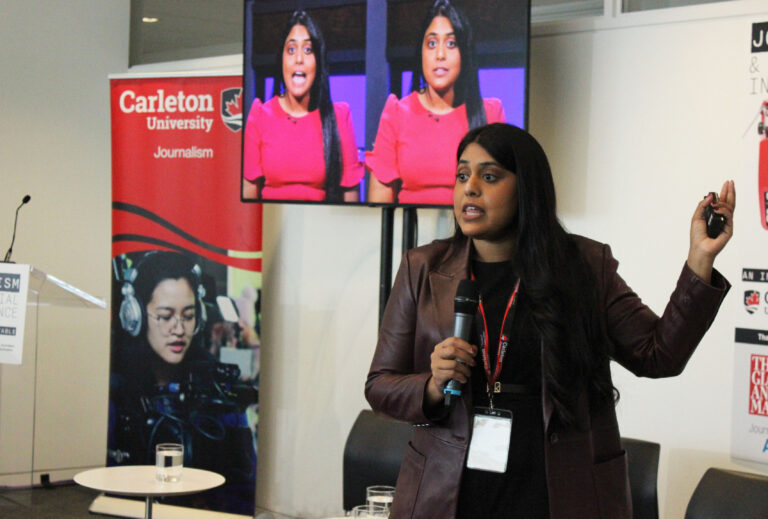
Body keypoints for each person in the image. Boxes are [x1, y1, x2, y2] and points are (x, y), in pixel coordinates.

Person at [365, 123, 734, 518]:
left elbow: (658, 355)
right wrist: (433, 385)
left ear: (528, 188)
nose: (470, 188)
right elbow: (380, 386)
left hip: (558, 494)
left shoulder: (586, 267)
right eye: (461, 175)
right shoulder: (421, 269)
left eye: (489, 176)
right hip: (449, 495)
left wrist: (700, 261)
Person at [108, 251, 256, 514]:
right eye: (165, 316)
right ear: (135, 316)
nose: (178, 329)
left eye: (188, 316)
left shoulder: (218, 390)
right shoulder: (117, 391)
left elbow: (244, 487)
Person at [366, 0, 506, 205]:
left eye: (451, 44)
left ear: (464, 53)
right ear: (421, 52)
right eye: (432, 43)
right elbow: (379, 210)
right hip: (409, 230)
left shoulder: (490, 113)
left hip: (471, 233)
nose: (440, 55)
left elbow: (500, 199)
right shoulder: (397, 112)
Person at [242, 10, 363, 203]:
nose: (299, 59)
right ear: (281, 59)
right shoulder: (260, 116)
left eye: (308, 50)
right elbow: (249, 201)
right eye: (291, 50)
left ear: (318, 61)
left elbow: (351, 198)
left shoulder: (339, 117)